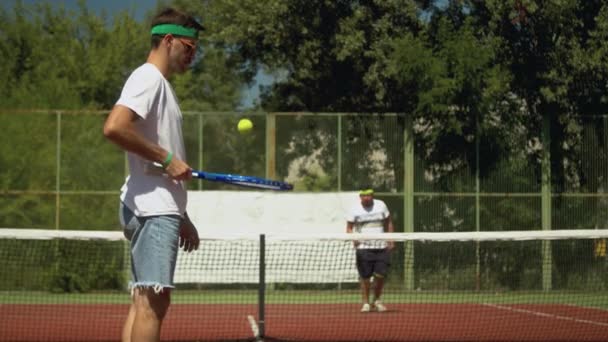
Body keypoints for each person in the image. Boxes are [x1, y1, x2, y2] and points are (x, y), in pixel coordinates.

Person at [103, 8, 203, 342]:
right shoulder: (148, 78)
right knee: (153, 303)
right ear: (169, 40)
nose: (193, 55)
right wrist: (168, 157)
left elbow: (159, 165)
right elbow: (115, 127)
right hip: (153, 209)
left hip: (154, 205)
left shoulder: (160, 86)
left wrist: (182, 214)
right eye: (188, 48)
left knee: (143, 300)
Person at [346, 188, 395, 313]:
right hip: (364, 249)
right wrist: (354, 239)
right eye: (364, 196)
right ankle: (366, 303)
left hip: (381, 247)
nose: (367, 198)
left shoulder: (381, 205)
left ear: (372, 195)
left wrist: (391, 239)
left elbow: (389, 221)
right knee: (365, 278)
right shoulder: (354, 209)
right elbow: (349, 228)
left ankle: (377, 300)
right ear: (360, 196)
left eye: (369, 196)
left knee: (380, 276)